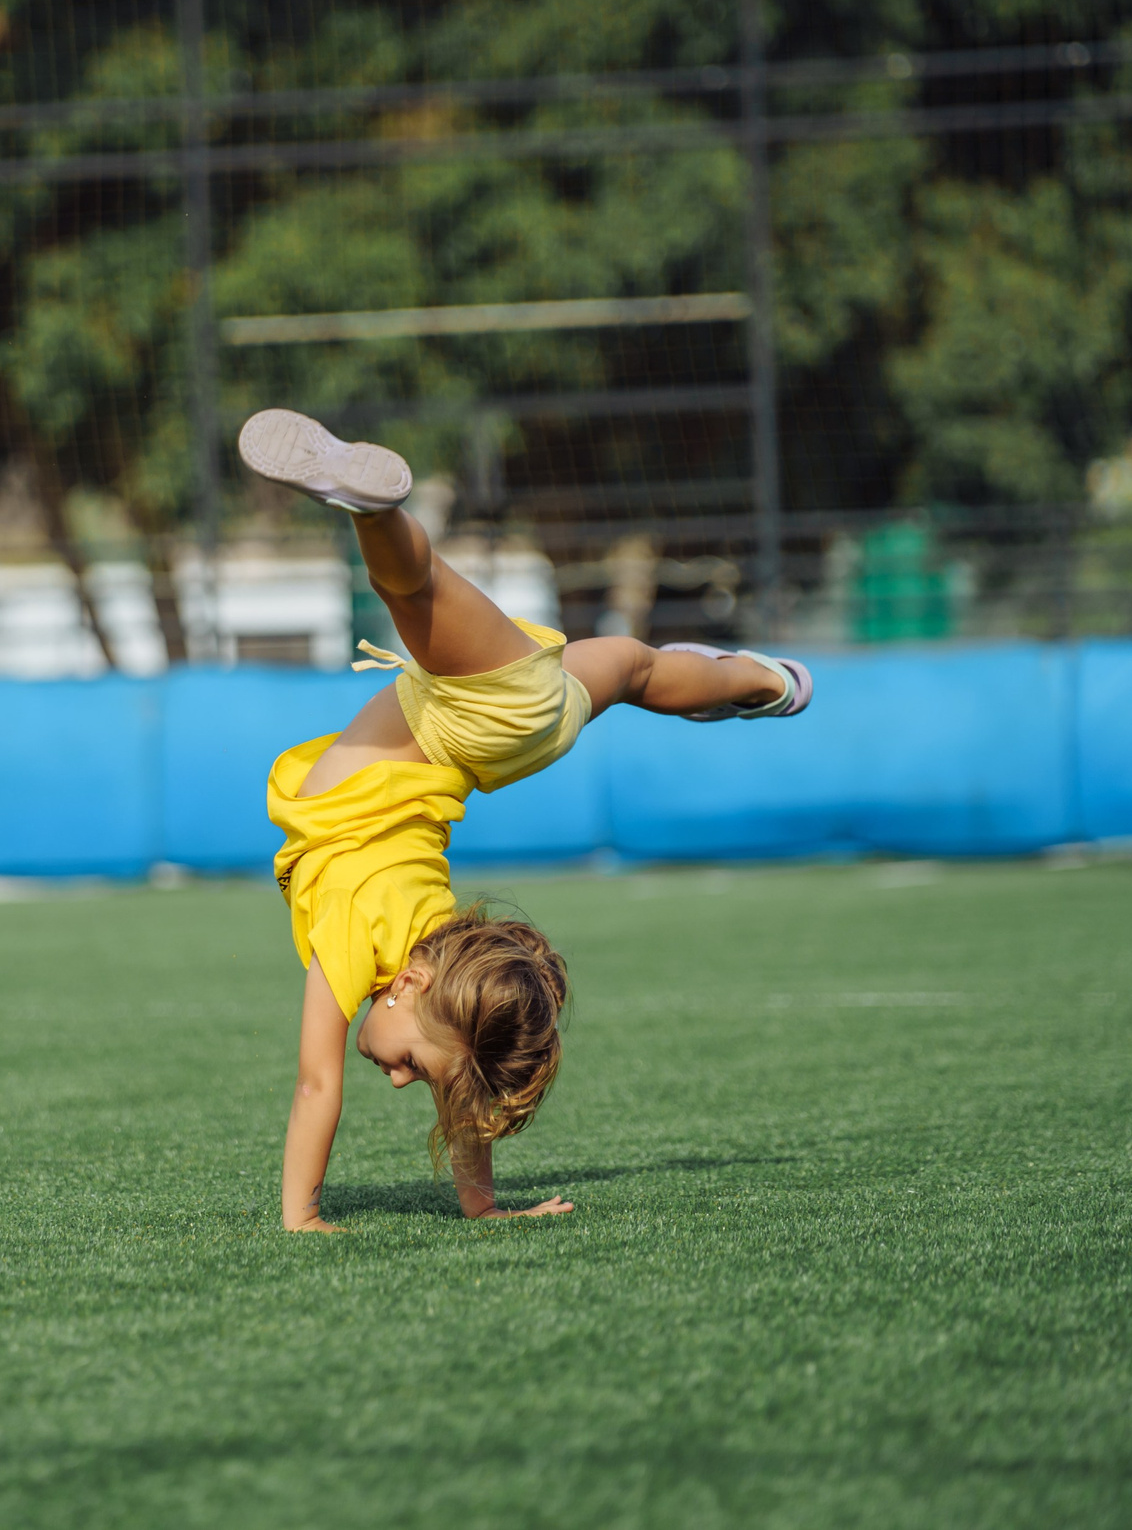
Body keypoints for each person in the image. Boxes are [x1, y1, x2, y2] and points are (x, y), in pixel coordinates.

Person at [242, 408, 813, 1233]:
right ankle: (369, 505)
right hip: (476, 723)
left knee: (635, 669)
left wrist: (483, 1206)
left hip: (501, 739)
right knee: (412, 588)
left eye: (416, 1075)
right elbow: (315, 1082)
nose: (401, 1079)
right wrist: (301, 1215)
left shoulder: (434, 951)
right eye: (414, 1065)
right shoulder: (359, 941)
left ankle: (764, 682)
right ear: (413, 984)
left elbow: (459, 1087)